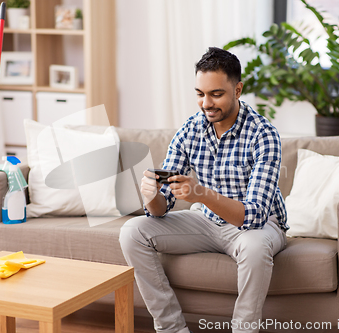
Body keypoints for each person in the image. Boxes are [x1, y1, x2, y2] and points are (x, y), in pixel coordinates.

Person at [119, 47, 289, 333]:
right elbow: (162, 210)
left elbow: (255, 217)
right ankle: (172, 329)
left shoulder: (264, 134)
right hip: (207, 221)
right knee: (133, 232)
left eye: (216, 94)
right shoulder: (191, 129)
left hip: (257, 227)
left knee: (255, 246)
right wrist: (151, 197)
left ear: (237, 89)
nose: (206, 103)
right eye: (200, 93)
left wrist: (201, 195)